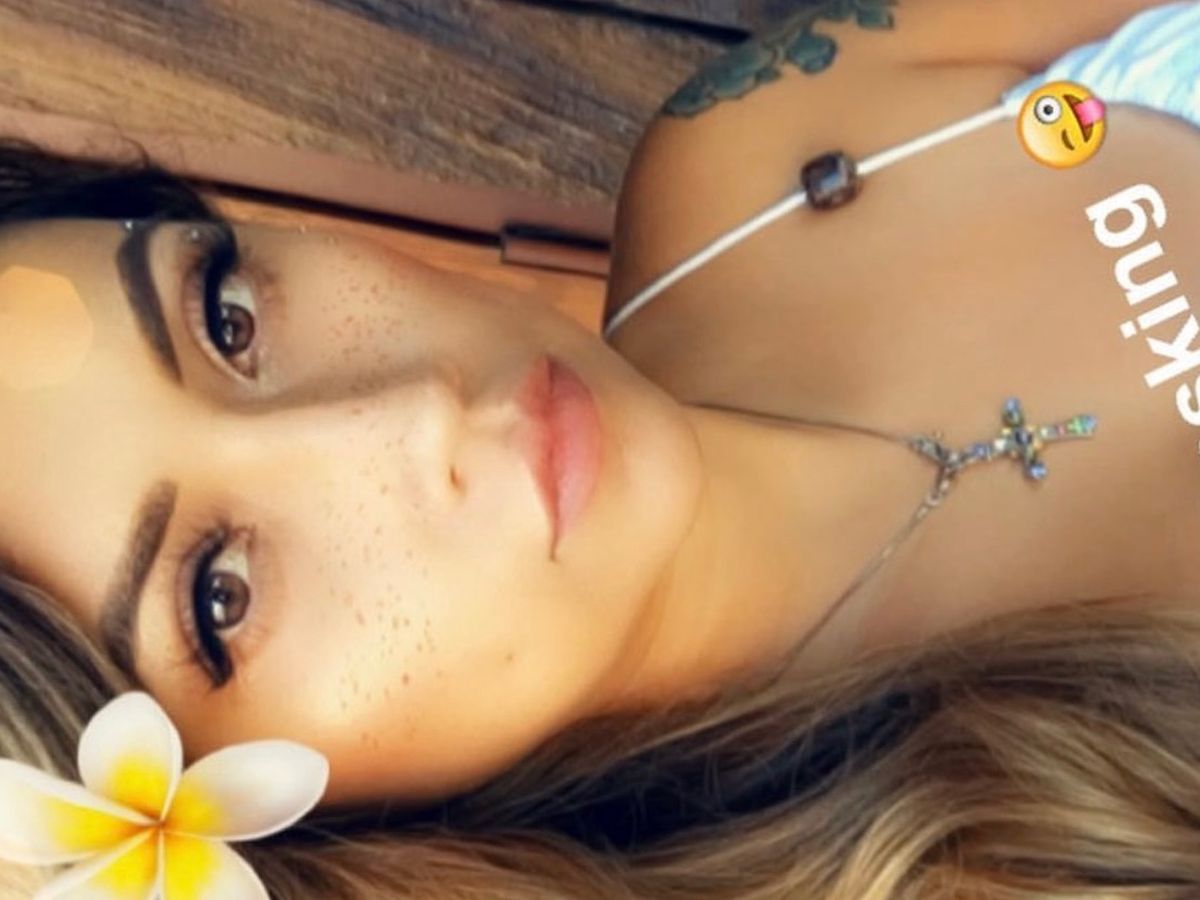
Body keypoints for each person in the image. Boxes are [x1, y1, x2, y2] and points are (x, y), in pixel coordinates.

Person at [4, 1, 1200, 896]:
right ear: (285, 834)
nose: (413, 416)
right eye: (219, 595)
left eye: (225, 317)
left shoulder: (755, 152)